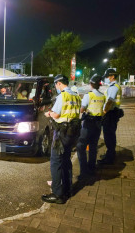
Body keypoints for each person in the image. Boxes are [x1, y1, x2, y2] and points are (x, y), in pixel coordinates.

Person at [42, 74, 81, 204]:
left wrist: (48, 114)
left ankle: (57, 194)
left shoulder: (62, 96)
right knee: (66, 160)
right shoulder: (75, 95)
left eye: (55, 85)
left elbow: (57, 114)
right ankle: (67, 189)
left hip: (62, 133)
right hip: (73, 132)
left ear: (59, 83)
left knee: (55, 161)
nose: (56, 87)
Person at [76, 74, 105, 179]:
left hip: (88, 123)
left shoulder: (89, 95)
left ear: (91, 84)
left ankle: (84, 172)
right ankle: (92, 168)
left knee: (80, 146)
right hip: (98, 124)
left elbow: (82, 109)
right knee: (93, 146)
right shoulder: (102, 96)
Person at [98, 68, 123, 165]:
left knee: (109, 136)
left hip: (111, 114)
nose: (106, 78)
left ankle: (109, 158)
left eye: (107, 76)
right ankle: (110, 154)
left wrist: (104, 112)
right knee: (110, 135)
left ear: (112, 76)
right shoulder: (115, 86)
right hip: (113, 113)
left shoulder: (113, 87)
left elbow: (110, 101)